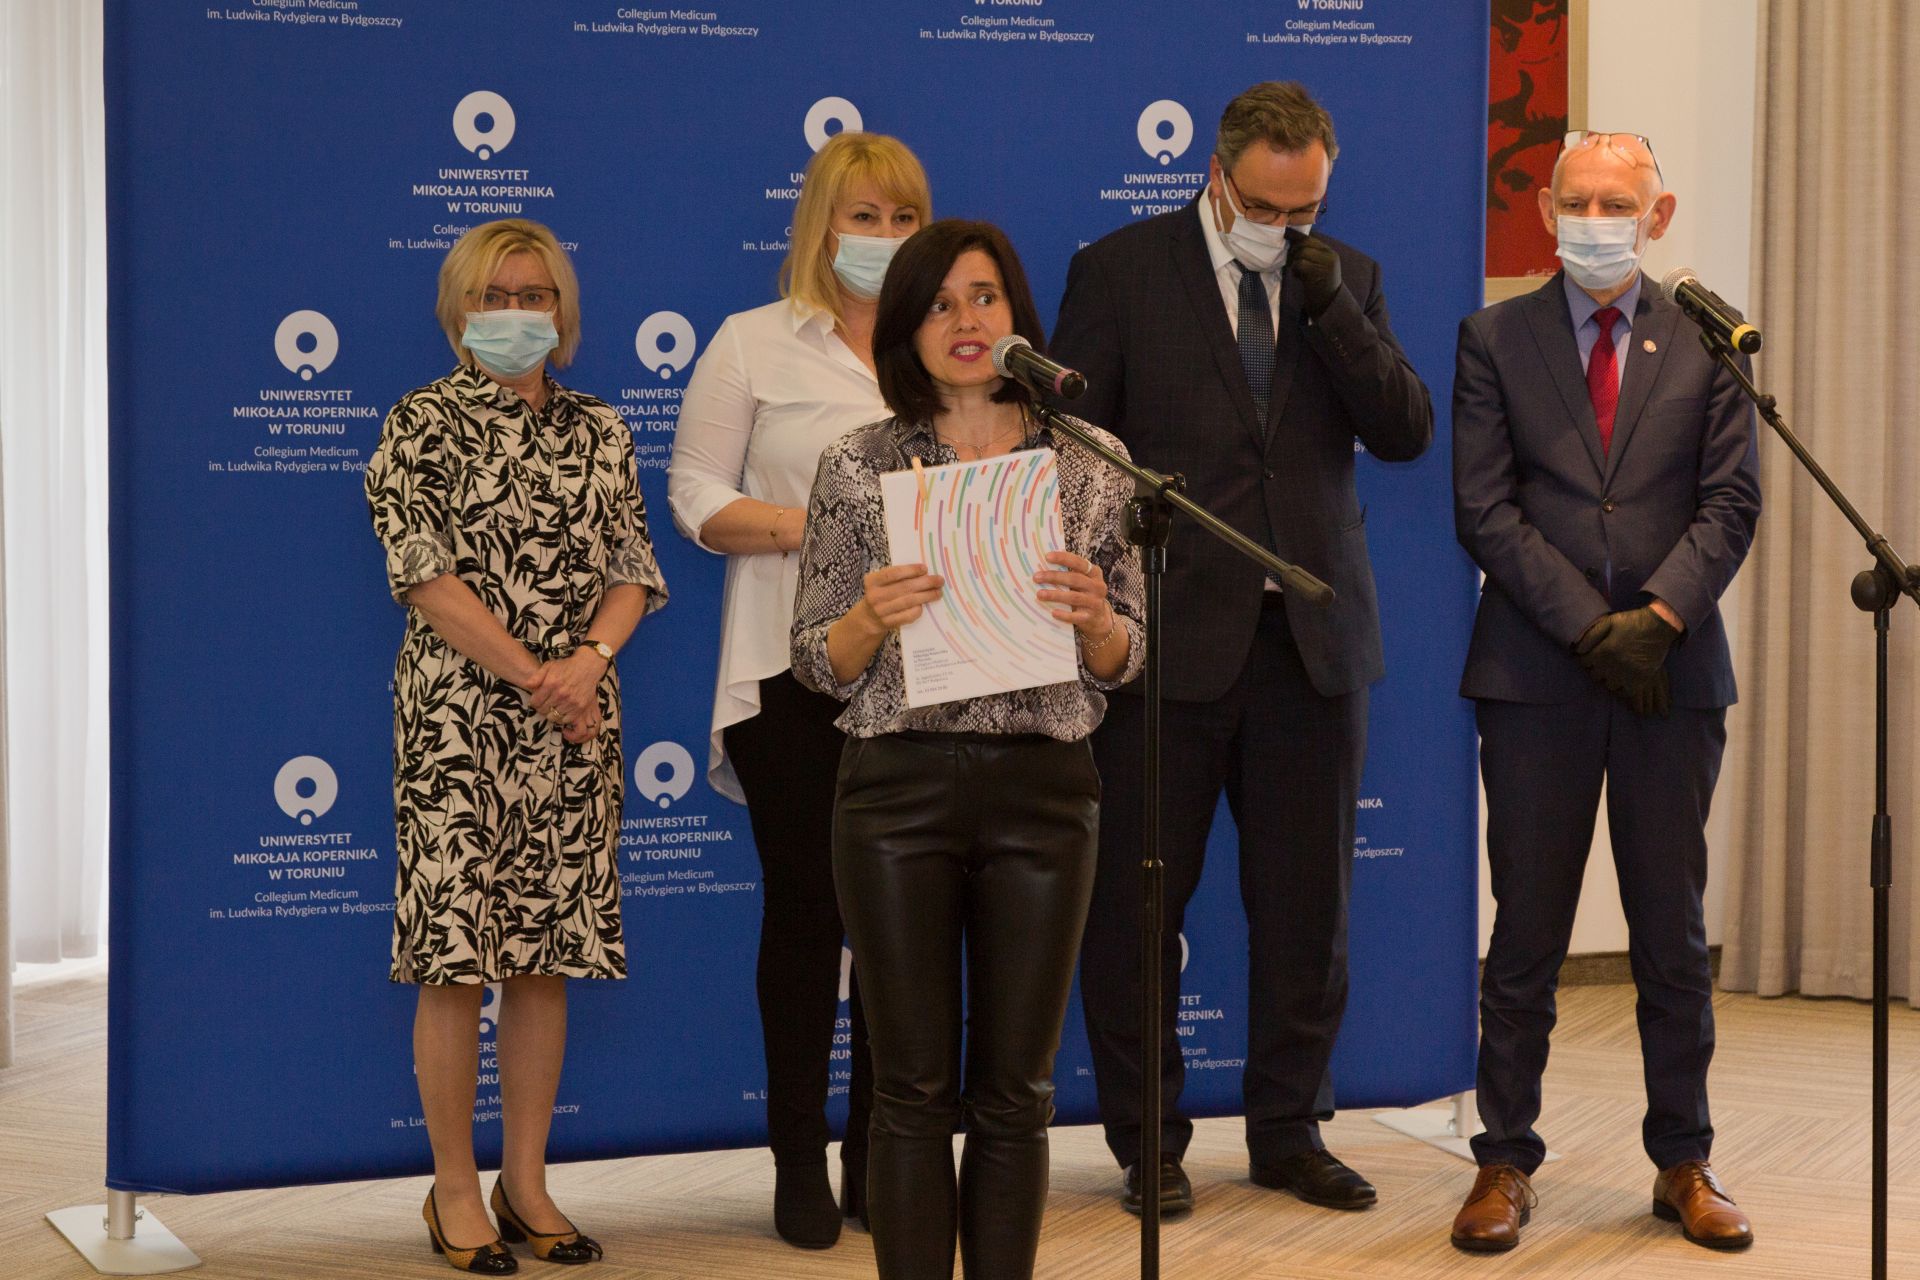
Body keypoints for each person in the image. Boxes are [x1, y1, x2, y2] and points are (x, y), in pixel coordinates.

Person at [1049, 80, 1433, 1216]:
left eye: (1305, 207)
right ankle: (1149, 1142)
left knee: (1308, 914)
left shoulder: (1347, 276)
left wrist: (1333, 307)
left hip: (1311, 642)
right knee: (1137, 911)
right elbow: (1069, 446)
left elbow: (1404, 429)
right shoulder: (1121, 270)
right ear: (1218, 176)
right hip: (1162, 644)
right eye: (1266, 206)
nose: (1285, 224)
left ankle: (1289, 1130)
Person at [790, 219, 1145, 1280]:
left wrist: (1097, 620)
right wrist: (870, 616)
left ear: (1017, 314)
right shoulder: (860, 461)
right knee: (908, 1090)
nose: (965, 320)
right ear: (907, 326)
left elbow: (1126, 657)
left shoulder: (1091, 460)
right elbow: (815, 659)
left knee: (1017, 1092)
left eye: (984, 296)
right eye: (939, 303)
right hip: (897, 793)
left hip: (1046, 790)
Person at [1448, 130, 1760, 1252]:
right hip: (1536, 676)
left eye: (1617, 203)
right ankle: (1502, 1160)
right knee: (1527, 930)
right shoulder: (1493, 337)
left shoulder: (1713, 338)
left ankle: (1685, 1158)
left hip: (1674, 679)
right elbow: (1484, 508)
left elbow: (1732, 502)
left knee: (1672, 931)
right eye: (1576, 201)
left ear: (1656, 217)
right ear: (1545, 210)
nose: (1594, 220)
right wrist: (1593, 628)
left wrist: (1659, 618)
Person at [365, 218, 667, 1273]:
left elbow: (633, 566)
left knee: (546, 955)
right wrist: (539, 674)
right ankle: (454, 1189)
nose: (515, 313)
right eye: (494, 296)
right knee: (455, 958)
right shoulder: (419, 421)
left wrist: (587, 661)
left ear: (562, 311)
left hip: (576, 722)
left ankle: (526, 1181)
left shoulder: (602, 428)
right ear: (460, 311)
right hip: (457, 721)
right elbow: (422, 575)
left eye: (534, 295)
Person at [667, 131, 931, 1249]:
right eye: (864, 217)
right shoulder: (752, 342)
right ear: (820, 224)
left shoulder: (946, 344)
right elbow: (693, 493)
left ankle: (881, 1152)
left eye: (904, 219)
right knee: (809, 910)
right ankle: (796, 1157)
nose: (884, 238)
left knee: (903, 925)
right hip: (790, 671)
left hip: (929, 676)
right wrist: (820, 529)